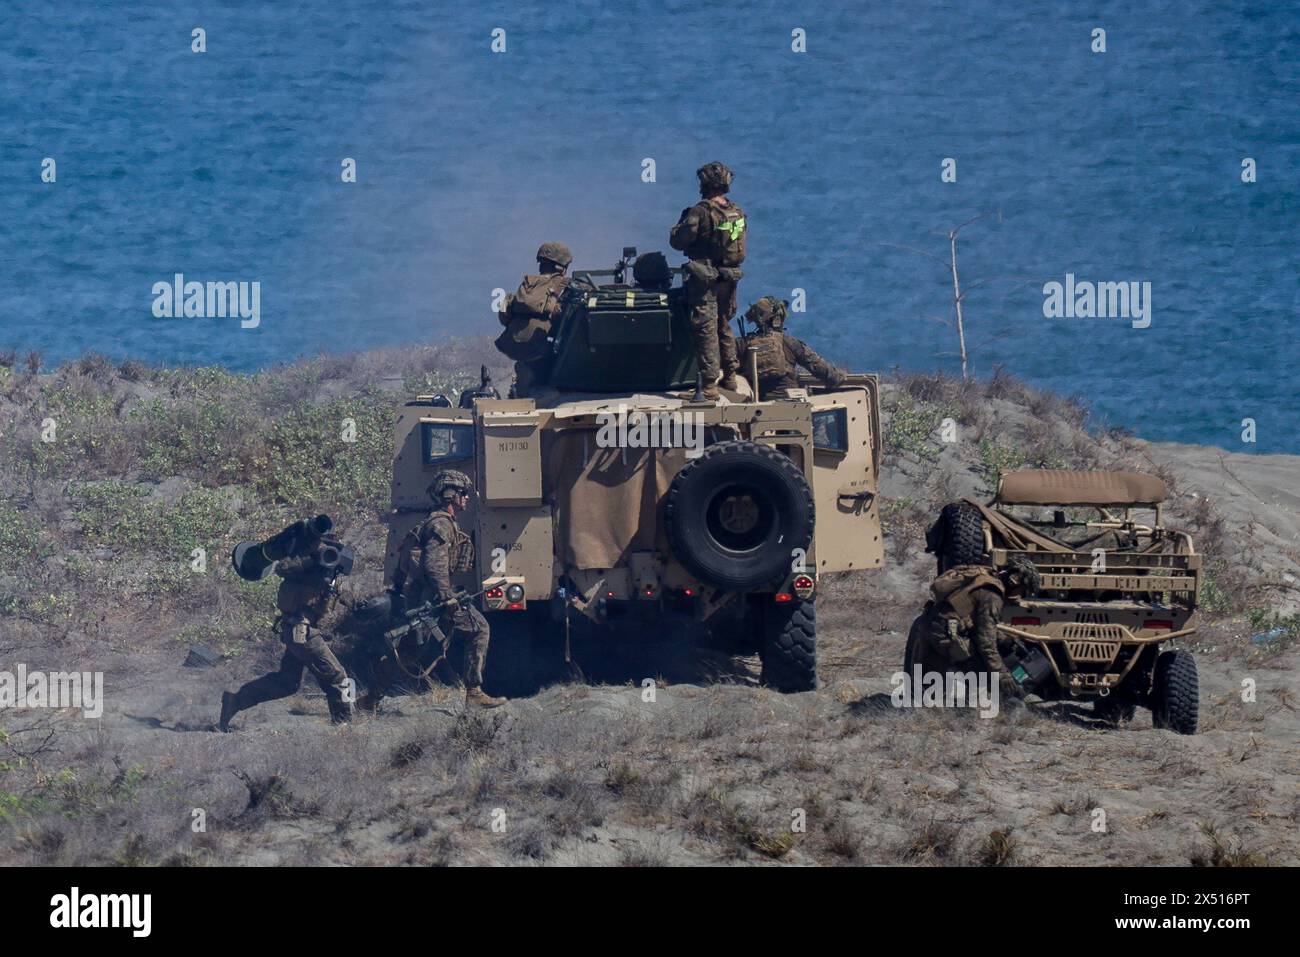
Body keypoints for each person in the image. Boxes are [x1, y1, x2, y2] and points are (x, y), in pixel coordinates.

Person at [361, 469, 505, 710]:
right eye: (463, 493)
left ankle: (371, 698)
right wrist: (447, 598)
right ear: (450, 495)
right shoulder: (441, 524)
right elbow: (433, 564)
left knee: (409, 652)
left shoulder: (437, 522)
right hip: (433, 601)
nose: (467, 498)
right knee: (480, 629)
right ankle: (474, 693)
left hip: (425, 599)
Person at [219, 532, 356, 730]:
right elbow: (282, 568)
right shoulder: (301, 561)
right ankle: (343, 724)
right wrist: (312, 559)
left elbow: (327, 593)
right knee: (337, 675)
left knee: (287, 683)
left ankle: (235, 701)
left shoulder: (323, 571)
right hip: (301, 629)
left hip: (298, 629)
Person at [905, 557, 1042, 701]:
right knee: (983, 675)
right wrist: (1002, 675)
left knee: (924, 685)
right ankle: (999, 710)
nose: (1019, 597)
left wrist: (1007, 640)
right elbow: (986, 644)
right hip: (945, 635)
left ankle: (919, 712)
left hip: (930, 622)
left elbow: (977, 622)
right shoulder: (992, 596)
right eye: (1022, 591)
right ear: (1015, 581)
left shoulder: (985, 577)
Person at [668, 162, 746, 399]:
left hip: (705, 279)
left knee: (706, 328)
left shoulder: (700, 211)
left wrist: (677, 228)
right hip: (729, 277)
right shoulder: (736, 211)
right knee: (724, 324)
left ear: (704, 184)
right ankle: (730, 376)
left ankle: (709, 385)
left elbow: (679, 241)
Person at [495, 242, 573, 396]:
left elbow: (505, 315)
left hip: (520, 352)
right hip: (551, 356)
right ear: (562, 266)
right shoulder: (568, 286)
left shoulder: (528, 286)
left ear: (541, 264)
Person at [736, 297, 845, 398]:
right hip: (790, 405)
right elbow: (817, 365)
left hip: (755, 407)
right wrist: (837, 378)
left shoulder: (742, 344)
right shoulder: (789, 342)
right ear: (777, 320)